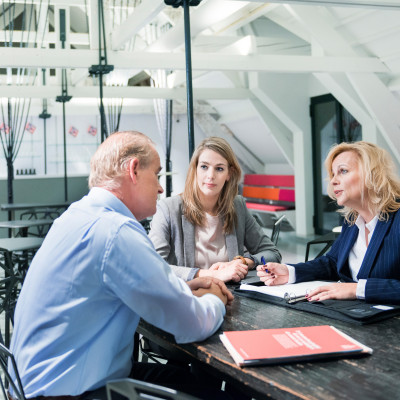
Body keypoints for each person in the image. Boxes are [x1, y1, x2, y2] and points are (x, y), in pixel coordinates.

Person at [9, 131, 234, 400]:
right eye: (157, 175)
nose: (161, 188)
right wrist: (215, 298)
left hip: (35, 385)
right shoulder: (115, 231)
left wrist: (180, 288)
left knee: (192, 383)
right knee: (216, 395)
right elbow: (191, 324)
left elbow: (111, 288)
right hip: (71, 394)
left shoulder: (78, 215)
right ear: (134, 170)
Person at [257, 141, 400, 305]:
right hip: (355, 317)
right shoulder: (352, 220)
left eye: (343, 171)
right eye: (333, 174)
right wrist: (290, 271)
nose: (333, 181)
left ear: (373, 174)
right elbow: (333, 263)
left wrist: (356, 289)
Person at [149, 136, 281, 283]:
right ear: (195, 169)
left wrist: (243, 262)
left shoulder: (237, 206)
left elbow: (273, 253)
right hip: (188, 296)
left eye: (219, 169)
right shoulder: (168, 209)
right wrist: (207, 274)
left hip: (231, 296)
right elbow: (153, 265)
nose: (210, 176)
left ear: (229, 174)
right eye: (204, 167)